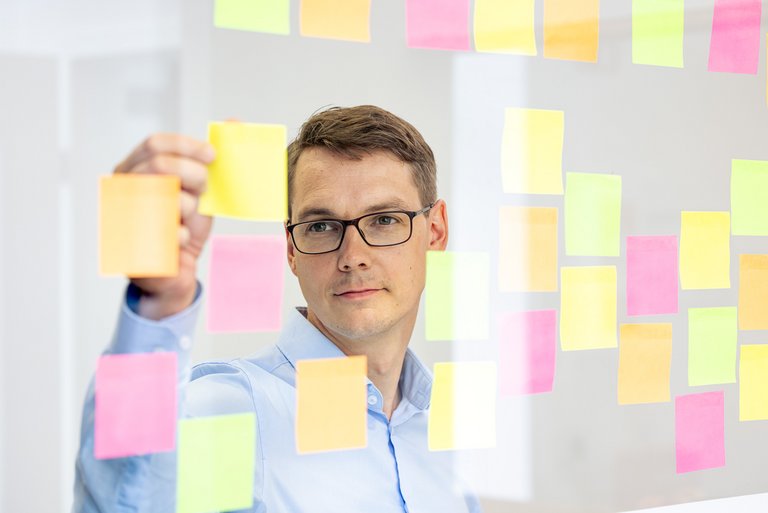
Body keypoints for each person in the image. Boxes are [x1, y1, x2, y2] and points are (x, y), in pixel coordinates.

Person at [73, 105, 482, 512]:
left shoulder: (443, 438)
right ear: (291, 249)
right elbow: (129, 498)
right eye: (321, 226)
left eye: (384, 220)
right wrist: (159, 306)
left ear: (435, 232)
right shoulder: (236, 409)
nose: (353, 255)